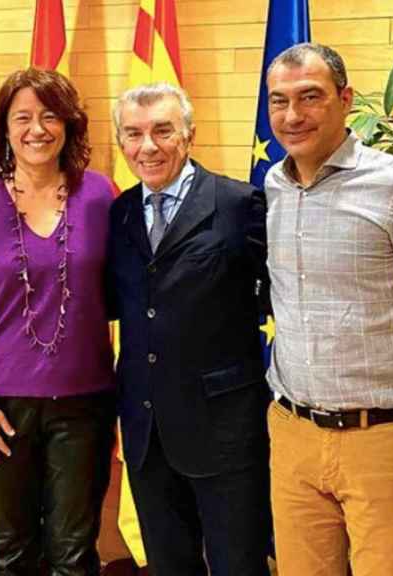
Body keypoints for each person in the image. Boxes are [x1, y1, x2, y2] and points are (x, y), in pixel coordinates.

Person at [264, 42, 393, 575]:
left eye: (310, 97)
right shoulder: (273, 185)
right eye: (279, 101)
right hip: (293, 433)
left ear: (345, 99)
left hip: (385, 442)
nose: (293, 115)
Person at [0, 68, 116, 575]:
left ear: (69, 126)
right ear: (4, 130)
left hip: (85, 406)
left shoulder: (101, 195)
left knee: (74, 553)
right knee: (10, 550)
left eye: (49, 115)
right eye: (23, 118)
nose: (37, 129)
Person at [107, 82, 272, 575]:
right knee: (168, 563)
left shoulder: (238, 203)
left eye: (162, 130)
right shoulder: (118, 213)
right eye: (134, 134)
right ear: (121, 143)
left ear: (189, 134)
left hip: (222, 427)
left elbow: (285, 291)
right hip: (146, 427)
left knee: (237, 564)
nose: (148, 146)